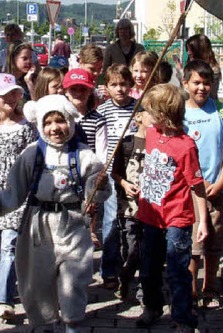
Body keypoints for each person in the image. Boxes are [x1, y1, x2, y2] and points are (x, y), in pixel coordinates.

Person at [0, 94, 110, 332]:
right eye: (48, 123)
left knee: (74, 278)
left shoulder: (84, 155)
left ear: (70, 121)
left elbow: (97, 191)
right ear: (40, 125)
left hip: (73, 224)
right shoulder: (31, 154)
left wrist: (98, 185)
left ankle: (72, 322)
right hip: (39, 225)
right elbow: (13, 192)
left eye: (61, 121)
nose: (55, 128)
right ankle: (45, 323)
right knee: (38, 280)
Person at [135, 83, 208, 333]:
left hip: (177, 216)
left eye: (150, 112)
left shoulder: (185, 146)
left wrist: (203, 222)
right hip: (151, 213)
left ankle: (183, 317)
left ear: (163, 115)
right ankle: (152, 306)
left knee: (178, 269)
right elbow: (137, 131)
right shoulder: (153, 133)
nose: (146, 116)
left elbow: (197, 186)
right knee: (149, 267)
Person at [183, 60, 223, 309]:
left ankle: (210, 286)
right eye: (196, 82)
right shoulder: (180, 112)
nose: (202, 88)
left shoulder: (222, 111)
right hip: (189, 191)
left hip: (219, 189)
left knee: (215, 241)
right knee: (193, 243)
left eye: (206, 83)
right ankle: (191, 288)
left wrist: (220, 183)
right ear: (185, 83)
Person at [0, 73, 38, 319]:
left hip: (16, 194)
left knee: (9, 246)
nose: (11, 99)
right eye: (5, 95)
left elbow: (33, 161)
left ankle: (5, 298)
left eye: (14, 94)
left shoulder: (25, 128)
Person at [96, 63, 137, 289]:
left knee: (132, 219)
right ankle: (109, 269)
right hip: (111, 172)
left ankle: (132, 264)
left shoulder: (138, 109)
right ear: (107, 87)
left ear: (130, 84)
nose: (119, 89)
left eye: (123, 84)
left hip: (133, 171)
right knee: (111, 219)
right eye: (114, 85)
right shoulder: (103, 111)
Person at [110, 103, 150, 301]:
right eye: (150, 113)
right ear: (139, 117)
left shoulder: (159, 143)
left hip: (152, 209)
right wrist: (125, 184)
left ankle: (144, 290)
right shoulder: (127, 143)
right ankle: (125, 278)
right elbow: (115, 172)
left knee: (149, 250)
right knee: (132, 249)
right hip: (129, 207)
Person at [185, 34, 221, 100]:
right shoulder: (191, 65)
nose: (188, 53)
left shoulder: (213, 70)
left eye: (190, 50)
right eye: (187, 49)